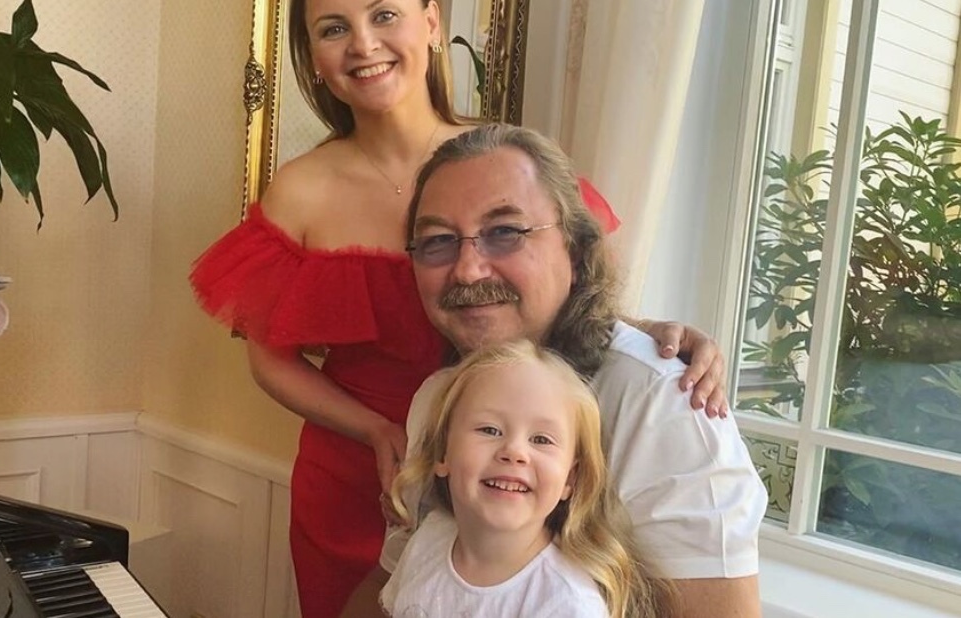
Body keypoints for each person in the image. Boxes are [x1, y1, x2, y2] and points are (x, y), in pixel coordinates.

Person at [190, 2, 728, 616]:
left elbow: (561, 279)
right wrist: (375, 430)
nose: (363, 44)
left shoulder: (500, 160)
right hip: (356, 471)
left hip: (506, 459)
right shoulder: (298, 189)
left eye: (383, 14)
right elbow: (270, 360)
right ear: (313, 58)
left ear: (431, 23)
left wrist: (645, 332)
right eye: (333, 28)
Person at [344, 124, 767, 618]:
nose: (467, 270)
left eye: (506, 232)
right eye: (438, 241)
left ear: (575, 248)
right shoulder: (438, 397)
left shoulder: (663, 401)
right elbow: (398, 579)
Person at [380, 340, 675, 618]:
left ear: (570, 478)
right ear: (443, 453)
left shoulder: (566, 604)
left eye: (541, 439)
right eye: (490, 430)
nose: (514, 452)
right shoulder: (428, 541)